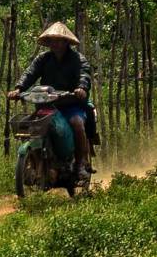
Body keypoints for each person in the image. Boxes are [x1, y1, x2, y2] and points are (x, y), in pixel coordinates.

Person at [13, 20, 96, 180]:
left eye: (59, 40)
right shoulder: (43, 59)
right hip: (47, 104)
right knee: (32, 127)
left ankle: (79, 164)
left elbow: (84, 74)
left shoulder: (78, 59)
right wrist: (19, 89)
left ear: (66, 42)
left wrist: (81, 88)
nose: (55, 44)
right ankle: (36, 163)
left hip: (71, 104)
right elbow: (30, 73)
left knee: (77, 124)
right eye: (52, 40)